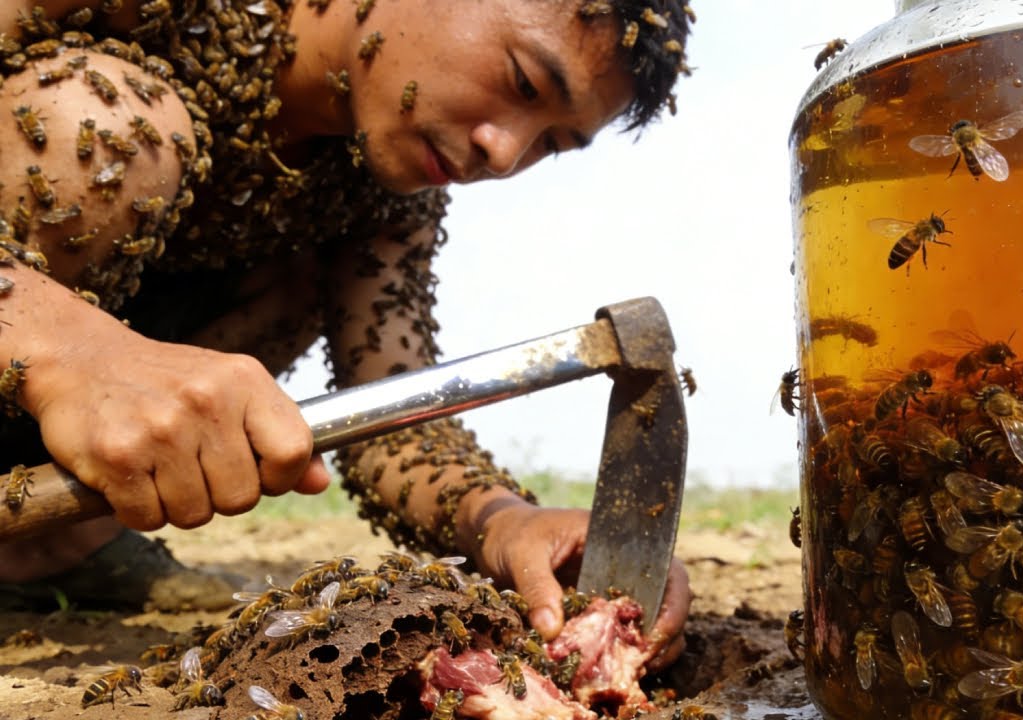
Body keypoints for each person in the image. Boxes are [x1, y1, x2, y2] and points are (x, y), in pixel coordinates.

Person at [0, 0, 693, 667]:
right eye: (523, 81)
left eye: (553, 142)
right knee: (95, 124)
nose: (505, 152)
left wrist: (504, 521)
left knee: (297, 277)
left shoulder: (382, 195)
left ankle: (51, 545)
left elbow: (396, 418)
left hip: (46, 473)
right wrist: (70, 347)